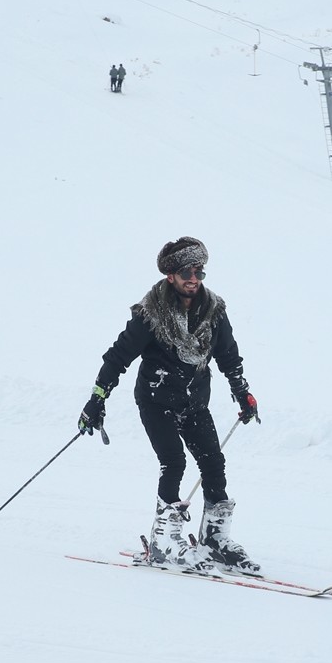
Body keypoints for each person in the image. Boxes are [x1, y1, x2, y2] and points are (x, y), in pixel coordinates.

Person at [77, 236, 262, 575]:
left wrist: (242, 392)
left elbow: (228, 356)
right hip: (155, 399)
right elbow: (118, 357)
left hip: (194, 401)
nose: (193, 278)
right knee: (174, 462)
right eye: (186, 271)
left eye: (199, 271)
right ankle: (164, 540)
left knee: (214, 464)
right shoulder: (151, 315)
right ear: (170, 276)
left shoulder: (214, 312)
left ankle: (215, 542)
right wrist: (96, 399)